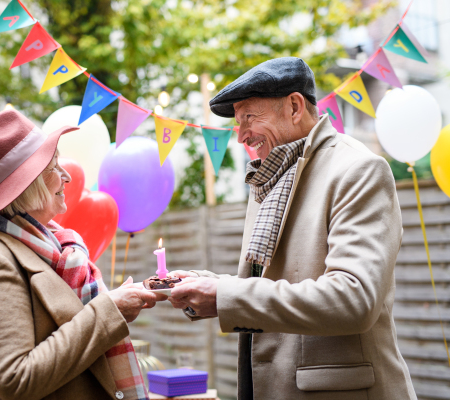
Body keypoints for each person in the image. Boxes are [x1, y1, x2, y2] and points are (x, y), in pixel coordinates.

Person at [168, 57, 417, 399]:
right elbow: (268, 287)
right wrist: (207, 285)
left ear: (295, 106)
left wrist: (225, 296)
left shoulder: (359, 169)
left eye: (249, 117)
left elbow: (353, 299)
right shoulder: (269, 177)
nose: (240, 134)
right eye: (238, 122)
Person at [0, 109, 165, 400]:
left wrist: (113, 304)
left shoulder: (46, 243)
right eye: (53, 166)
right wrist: (109, 312)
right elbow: (14, 379)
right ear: (27, 185)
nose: (66, 175)